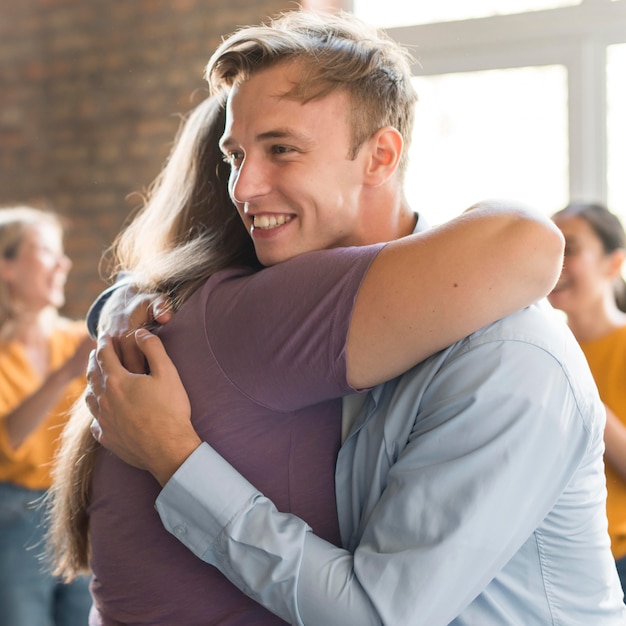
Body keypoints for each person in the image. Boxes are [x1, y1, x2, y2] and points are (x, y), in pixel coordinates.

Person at [55, 10, 622, 625]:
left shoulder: (506, 356)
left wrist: (176, 458)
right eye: (235, 156)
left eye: (282, 150)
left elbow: (376, 616)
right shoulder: (301, 323)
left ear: (380, 156)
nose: (243, 188)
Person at [0, 206, 94, 626]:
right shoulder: (68, 356)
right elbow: (9, 438)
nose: (63, 264)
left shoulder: (79, 339)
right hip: (12, 515)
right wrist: (64, 374)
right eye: (46, 252)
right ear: (7, 265)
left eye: (62, 253)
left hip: (78, 510)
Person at [548, 201, 626, 596]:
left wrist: (579, 387)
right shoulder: (541, 350)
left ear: (614, 264)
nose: (555, 262)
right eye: (551, 247)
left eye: (571, 249)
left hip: (616, 561)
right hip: (558, 559)